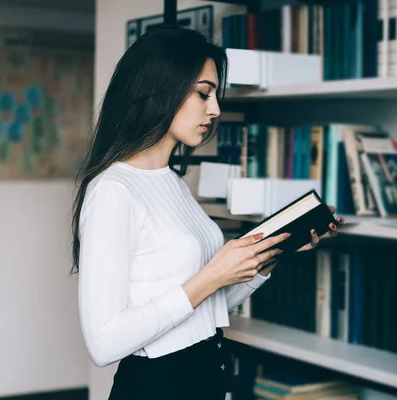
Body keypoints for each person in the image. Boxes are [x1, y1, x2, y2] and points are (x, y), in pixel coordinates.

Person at [70, 25, 343, 400]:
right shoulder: (114, 191)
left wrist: (265, 258)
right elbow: (103, 342)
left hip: (206, 373)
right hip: (158, 387)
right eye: (203, 94)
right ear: (158, 90)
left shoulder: (173, 181)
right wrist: (211, 275)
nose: (214, 110)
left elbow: (203, 309)